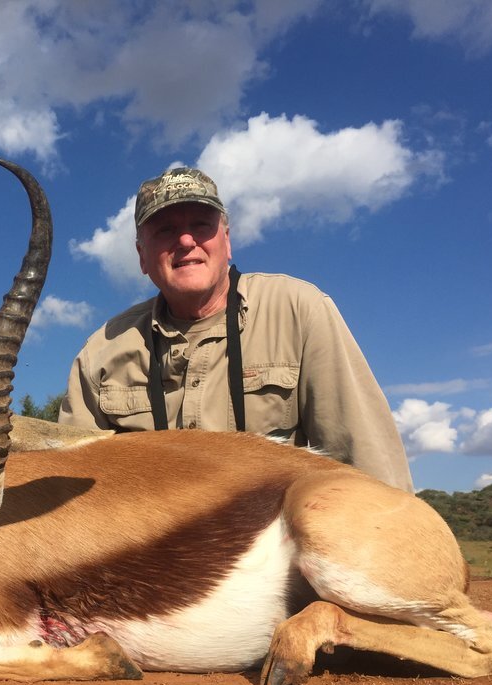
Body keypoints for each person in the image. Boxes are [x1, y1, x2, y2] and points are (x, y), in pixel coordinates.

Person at [58, 166, 414, 492]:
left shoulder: (300, 310)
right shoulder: (101, 351)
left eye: (201, 225)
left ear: (227, 241)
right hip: (150, 555)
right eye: (165, 230)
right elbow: (69, 493)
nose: (185, 241)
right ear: (142, 256)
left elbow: (371, 472)